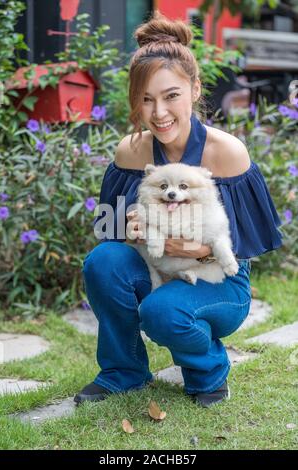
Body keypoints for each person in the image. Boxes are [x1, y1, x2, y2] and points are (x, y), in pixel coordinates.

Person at [74, 12, 282, 408]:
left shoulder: (226, 153)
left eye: (171, 96)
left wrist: (196, 250)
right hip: (154, 264)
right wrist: (129, 228)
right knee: (103, 261)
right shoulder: (130, 151)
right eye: (146, 99)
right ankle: (124, 370)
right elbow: (108, 228)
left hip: (219, 279)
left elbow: (248, 244)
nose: (159, 113)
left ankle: (207, 371)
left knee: (162, 312)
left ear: (195, 88)